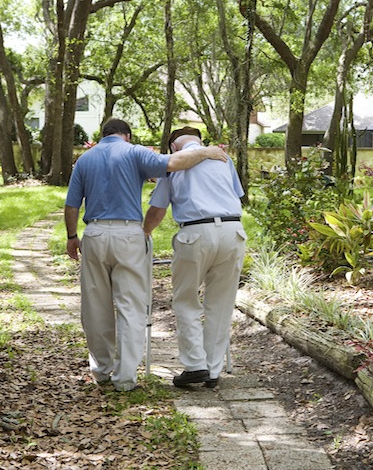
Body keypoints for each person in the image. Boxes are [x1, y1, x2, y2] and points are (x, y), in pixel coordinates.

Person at [64, 118, 227, 392]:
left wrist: (71, 237)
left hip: (93, 233)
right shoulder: (134, 151)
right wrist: (206, 152)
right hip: (128, 234)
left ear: (103, 135)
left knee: (95, 305)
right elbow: (173, 163)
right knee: (131, 305)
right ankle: (125, 378)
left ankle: (101, 371)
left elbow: (71, 204)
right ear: (126, 135)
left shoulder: (85, 159)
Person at [143, 126, 246, 389]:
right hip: (233, 230)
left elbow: (158, 209)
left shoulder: (174, 164)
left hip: (196, 232)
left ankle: (195, 365)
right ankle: (213, 370)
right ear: (199, 141)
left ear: (173, 147)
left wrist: (143, 233)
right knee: (221, 304)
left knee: (186, 299)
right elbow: (237, 196)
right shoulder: (224, 158)